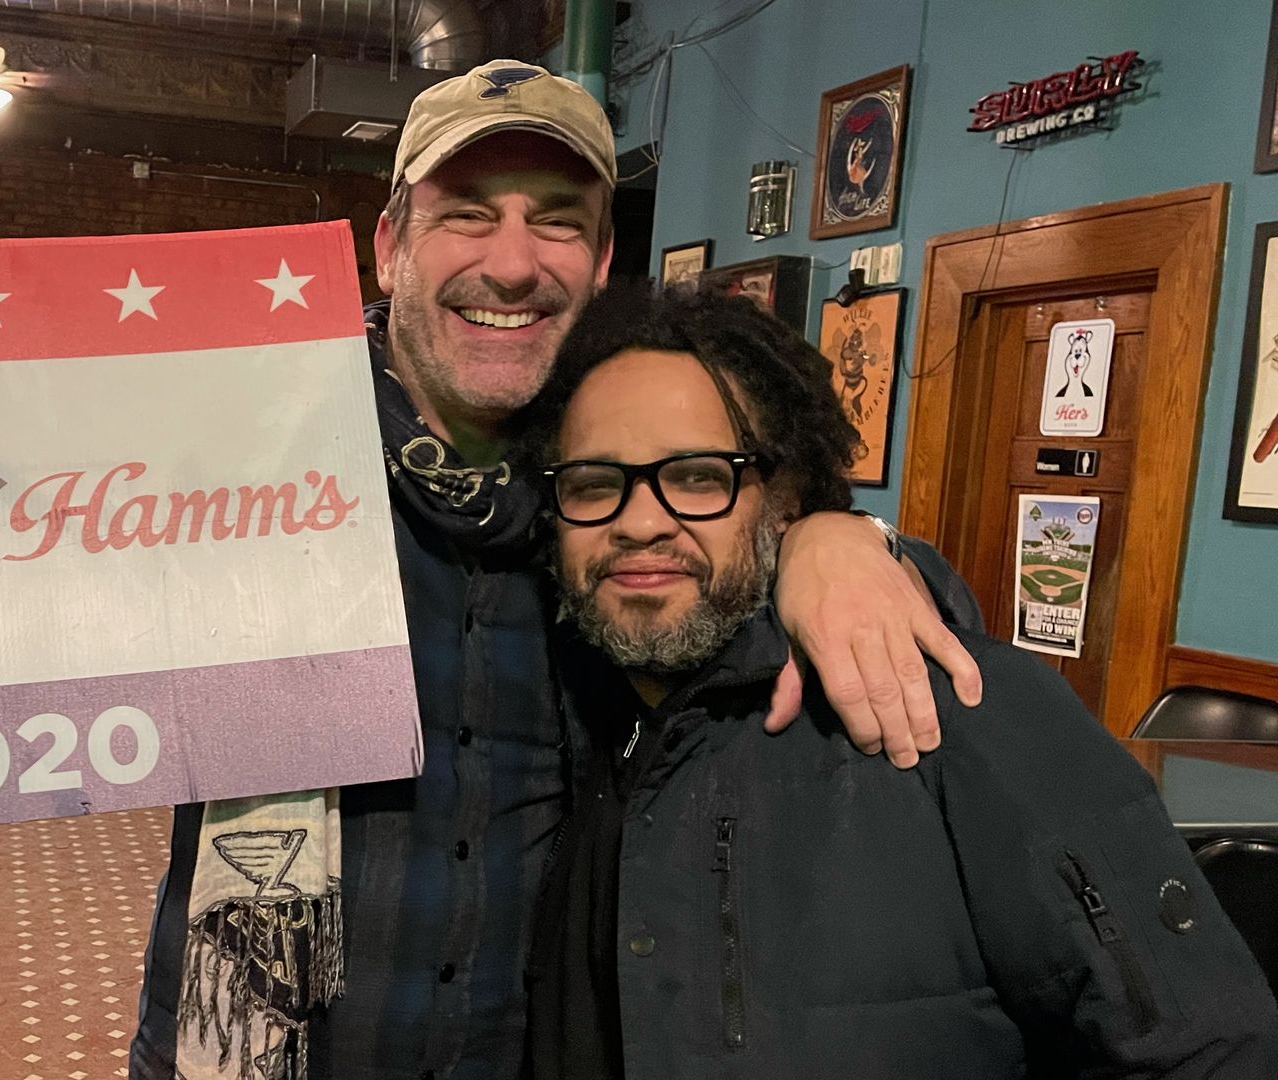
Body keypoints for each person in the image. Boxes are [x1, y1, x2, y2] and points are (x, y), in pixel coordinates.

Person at [0, 59, 986, 1080]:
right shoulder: (230, 429)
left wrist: (838, 538)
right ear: (391, 241)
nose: (511, 261)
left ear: (602, 257)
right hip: (248, 1052)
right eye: (467, 213)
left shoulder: (615, 497)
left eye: (556, 219)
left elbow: (765, 560)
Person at [516, 283, 1278, 1077]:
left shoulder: (965, 709)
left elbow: (1210, 1047)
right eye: (594, 483)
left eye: (701, 477)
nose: (640, 521)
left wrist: (856, 536)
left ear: (785, 499)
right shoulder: (563, 710)